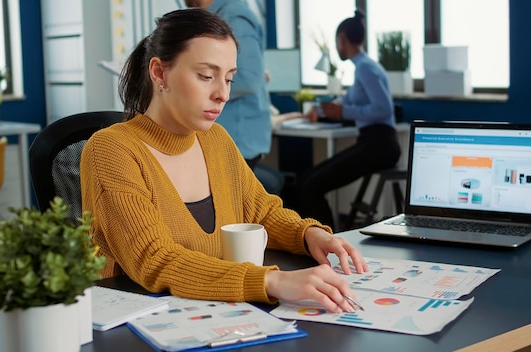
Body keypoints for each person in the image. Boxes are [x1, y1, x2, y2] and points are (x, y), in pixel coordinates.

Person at [80, 8, 367, 314]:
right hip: (136, 323)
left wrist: (308, 234)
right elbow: (155, 259)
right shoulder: (111, 150)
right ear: (159, 72)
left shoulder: (216, 139)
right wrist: (271, 281)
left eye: (229, 78)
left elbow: (262, 212)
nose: (222, 94)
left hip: (212, 312)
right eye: (206, 76)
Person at [295, 10, 401, 230]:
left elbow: (383, 109)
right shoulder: (363, 67)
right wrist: (323, 109)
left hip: (380, 145)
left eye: (337, 42)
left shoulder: (365, 68)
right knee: (306, 179)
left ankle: (327, 244)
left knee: (311, 186)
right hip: (370, 142)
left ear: (342, 39)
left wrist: (343, 112)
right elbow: (349, 100)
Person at [184, 0, 271, 170]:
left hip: (236, 139)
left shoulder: (233, 16)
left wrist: (197, 86)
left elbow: (249, 78)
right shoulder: (219, 16)